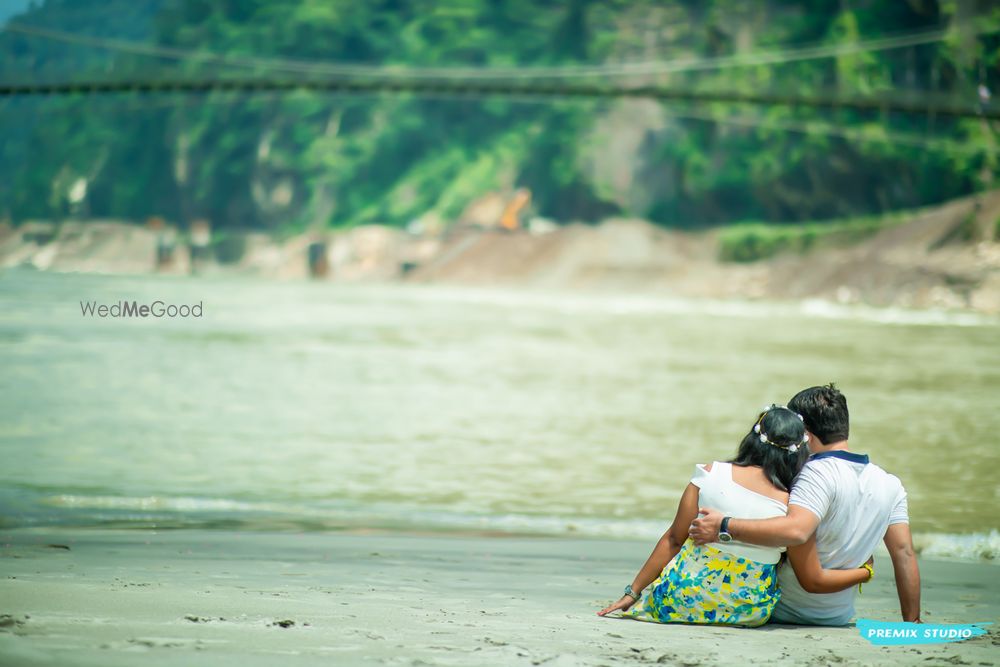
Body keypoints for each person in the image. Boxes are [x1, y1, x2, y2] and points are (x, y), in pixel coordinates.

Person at [597, 405, 872, 627]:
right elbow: (807, 573)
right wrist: (865, 569)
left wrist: (632, 593)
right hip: (749, 612)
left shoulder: (710, 474)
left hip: (678, 599)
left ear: (753, 437)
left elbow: (673, 539)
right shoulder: (793, 505)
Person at [689, 384, 921, 626]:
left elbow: (797, 531)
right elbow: (904, 553)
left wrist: (724, 525)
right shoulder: (890, 484)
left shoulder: (814, 473)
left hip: (783, 607)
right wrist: (912, 621)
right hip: (838, 616)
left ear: (805, 434)